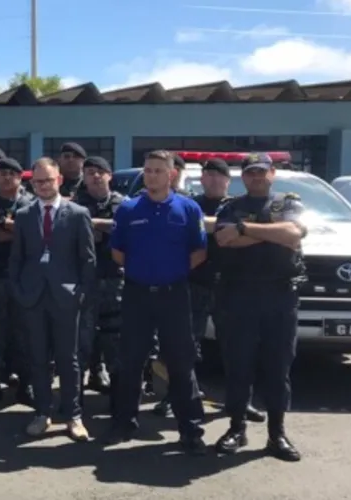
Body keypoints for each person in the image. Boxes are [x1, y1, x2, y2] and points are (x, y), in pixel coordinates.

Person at [107, 149, 207, 455]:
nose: (151, 176)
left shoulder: (188, 208)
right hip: (137, 294)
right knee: (131, 360)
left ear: (171, 174)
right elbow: (118, 253)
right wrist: (146, 271)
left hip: (174, 295)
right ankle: (125, 422)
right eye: (148, 170)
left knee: (180, 362)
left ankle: (190, 429)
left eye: (158, 171)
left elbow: (199, 252)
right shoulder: (128, 209)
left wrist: (170, 272)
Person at [213, 153, 306, 462]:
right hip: (239, 296)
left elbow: (293, 235)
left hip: (279, 297)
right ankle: (236, 428)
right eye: (250, 172)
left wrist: (244, 229)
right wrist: (271, 233)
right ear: (243, 177)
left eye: (261, 172)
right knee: (238, 366)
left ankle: (276, 434)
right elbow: (225, 239)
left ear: (272, 174)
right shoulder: (230, 206)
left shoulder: (288, 203)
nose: (256, 176)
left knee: (278, 368)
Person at [10, 157, 95, 441]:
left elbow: (88, 260)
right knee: (37, 358)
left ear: (58, 180)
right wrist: (19, 290)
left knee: (68, 359)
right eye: (38, 181)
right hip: (33, 297)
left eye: (48, 180)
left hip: (66, 297)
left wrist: (81, 294)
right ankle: (42, 412)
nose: (43, 186)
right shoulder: (24, 214)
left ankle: (73, 416)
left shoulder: (78, 213)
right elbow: (17, 258)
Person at [195, 158, 266, 424]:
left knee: (236, 348)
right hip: (194, 283)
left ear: (228, 180)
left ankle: (241, 401)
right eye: (208, 175)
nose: (213, 180)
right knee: (185, 345)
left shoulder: (236, 206)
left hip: (230, 285)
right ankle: (178, 396)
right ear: (202, 179)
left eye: (219, 175)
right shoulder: (191, 204)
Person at [0, 157, 33, 405]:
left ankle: (25, 385)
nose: (8, 178)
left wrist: (3, 225)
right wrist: (13, 229)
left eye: (13, 173)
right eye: (3, 173)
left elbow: (33, 234)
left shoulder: (30, 203)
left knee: (25, 333)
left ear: (20, 177)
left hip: (24, 278)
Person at [75, 156, 125, 411]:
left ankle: (118, 400)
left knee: (115, 341)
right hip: (85, 282)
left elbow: (126, 230)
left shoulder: (123, 204)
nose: (95, 176)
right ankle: (74, 401)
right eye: (90, 172)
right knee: (81, 341)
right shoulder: (75, 204)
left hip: (115, 280)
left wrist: (94, 225)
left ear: (109, 175)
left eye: (100, 172)